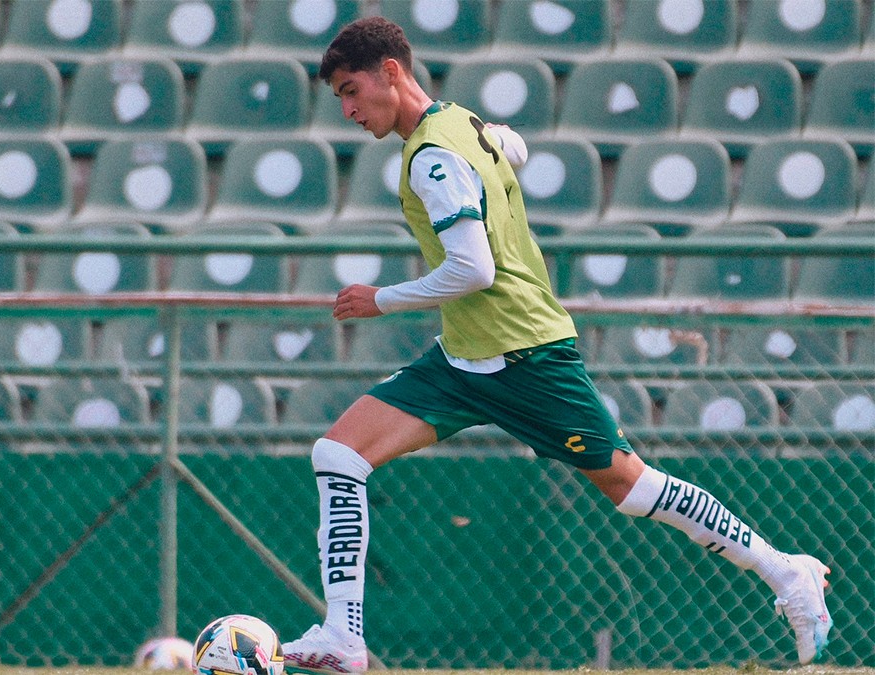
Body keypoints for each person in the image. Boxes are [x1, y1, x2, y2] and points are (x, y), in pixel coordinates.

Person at [281, 16, 834, 672]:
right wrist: (500, 151)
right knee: (338, 454)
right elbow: (511, 148)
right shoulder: (460, 122)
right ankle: (344, 635)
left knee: (630, 486)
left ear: (391, 73)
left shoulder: (431, 157)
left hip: (527, 356)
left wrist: (381, 298)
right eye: (338, 97)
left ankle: (785, 571)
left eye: (351, 91)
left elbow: (474, 268)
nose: (346, 110)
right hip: (463, 358)